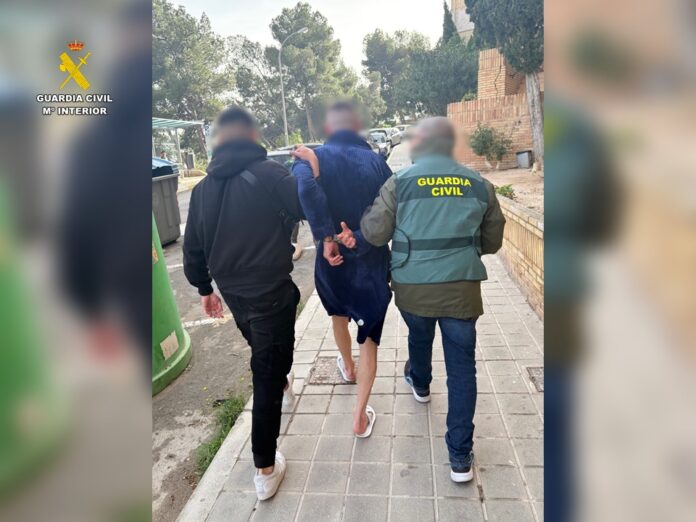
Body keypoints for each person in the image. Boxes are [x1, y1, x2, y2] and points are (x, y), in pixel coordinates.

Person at [337, 117, 506, 483]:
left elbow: (375, 233)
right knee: (462, 370)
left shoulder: (400, 182)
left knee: (419, 334)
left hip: (413, 287)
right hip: (461, 290)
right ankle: (459, 458)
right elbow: (493, 242)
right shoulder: (479, 184)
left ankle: (421, 382)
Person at [183, 106, 303, 501]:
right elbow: (305, 205)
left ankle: (281, 379)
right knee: (266, 371)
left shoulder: (201, 191)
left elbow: (193, 248)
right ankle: (265, 469)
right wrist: (309, 168)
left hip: (234, 292)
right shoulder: (270, 174)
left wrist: (205, 289)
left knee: (267, 353)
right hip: (269, 291)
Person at [291, 101, 392, 437]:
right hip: (370, 262)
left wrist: (326, 236)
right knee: (369, 337)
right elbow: (392, 212)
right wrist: (359, 238)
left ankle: (347, 368)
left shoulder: (313, 157)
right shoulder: (378, 163)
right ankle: (359, 415)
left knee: (337, 316)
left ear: (328, 128)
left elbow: (304, 193)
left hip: (331, 259)